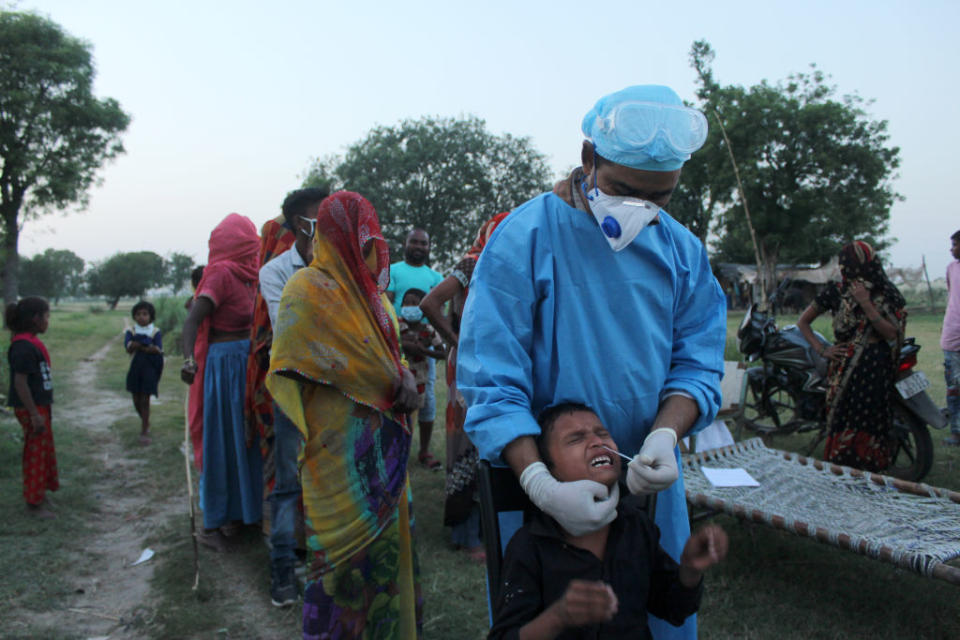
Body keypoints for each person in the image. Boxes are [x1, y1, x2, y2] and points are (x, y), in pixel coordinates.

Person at [456, 85, 726, 640]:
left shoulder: (682, 252)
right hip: (546, 497)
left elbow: (697, 365)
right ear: (588, 159)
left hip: (648, 492)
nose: (640, 211)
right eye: (625, 189)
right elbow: (492, 382)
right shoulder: (525, 239)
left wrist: (662, 438)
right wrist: (540, 483)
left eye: (660, 198)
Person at [267, 191, 423, 638]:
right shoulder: (306, 288)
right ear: (335, 236)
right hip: (339, 451)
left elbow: (387, 355)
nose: (369, 244)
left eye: (371, 234)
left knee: (387, 558)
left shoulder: (375, 298)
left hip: (387, 447)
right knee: (341, 566)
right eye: (359, 235)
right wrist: (395, 379)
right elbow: (297, 352)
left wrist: (402, 375)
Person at [489, 403, 727, 640]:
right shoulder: (530, 546)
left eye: (603, 434)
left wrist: (690, 569)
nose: (597, 442)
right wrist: (557, 618)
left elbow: (673, 607)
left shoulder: (636, 527)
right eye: (575, 439)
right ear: (548, 471)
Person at [420, 211, 509, 561]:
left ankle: (483, 528)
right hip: (470, 366)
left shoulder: (508, 266)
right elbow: (430, 303)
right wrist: (456, 341)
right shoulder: (473, 263)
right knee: (468, 443)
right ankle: (466, 532)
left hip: (497, 363)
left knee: (491, 441)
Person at [255, 187, 328, 607]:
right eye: (323, 216)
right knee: (287, 484)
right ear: (302, 224)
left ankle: (327, 570)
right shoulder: (277, 271)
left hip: (335, 391)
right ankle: (282, 573)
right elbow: (292, 331)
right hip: (293, 391)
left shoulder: (342, 268)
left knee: (331, 478)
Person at [181, 213, 263, 552]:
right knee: (222, 441)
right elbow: (192, 320)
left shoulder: (255, 275)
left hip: (250, 363)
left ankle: (245, 513)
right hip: (223, 364)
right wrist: (188, 359)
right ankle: (215, 520)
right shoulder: (221, 273)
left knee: (248, 440)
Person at [797, 241, 906, 471]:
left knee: (871, 421)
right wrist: (822, 349)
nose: (846, 268)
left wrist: (866, 303)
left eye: (849, 263)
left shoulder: (885, 293)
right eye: (844, 263)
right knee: (842, 420)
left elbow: (891, 334)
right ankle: (842, 471)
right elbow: (803, 322)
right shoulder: (836, 291)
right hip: (843, 370)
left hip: (876, 369)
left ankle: (870, 472)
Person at [387, 229, 444, 470]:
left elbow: (439, 313)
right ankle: (395, 448)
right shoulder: (393, 271)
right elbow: (386, 306)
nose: (419, 246)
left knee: (427, 399)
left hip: (424, 348)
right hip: (396, 344)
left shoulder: (435, 277)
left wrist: (434, 342)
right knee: (394, 395)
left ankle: (424, 451)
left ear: (429, 247)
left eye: (424, 242)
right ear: (405, 243)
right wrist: (399, 339)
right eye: (414, 242)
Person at [7, 297, 57, 520]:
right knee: (35, 453)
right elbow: (20, 382)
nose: (48, 321)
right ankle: (33, 503)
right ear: (36, 319)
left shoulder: (29, 342)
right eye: (46, 317)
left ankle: (40, 493)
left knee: (43, 450)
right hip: (32, 408)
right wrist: (35, 414)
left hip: (40, 406)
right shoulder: (22, 346)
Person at [398, 288, 446, 419]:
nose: (410, 307)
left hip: (419, 380)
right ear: (401, 306)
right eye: (406, 303)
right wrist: (405, 344)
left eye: (414, 303)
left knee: (412, 413)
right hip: (397, 378)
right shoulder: (396, 325)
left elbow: (443, 353)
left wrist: (424, 351)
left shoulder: (428, 330)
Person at [124, 300, 163, 445]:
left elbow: (158, 349)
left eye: (145, 314)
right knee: (136, 398)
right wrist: (145, 345)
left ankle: (144, 429)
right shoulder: (131, 331)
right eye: (138, 314)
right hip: (135, 368)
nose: (142, 317)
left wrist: (139, 345)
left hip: (150, 368)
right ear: (134, 317)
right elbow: (128, 347)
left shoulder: (155, 331)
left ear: (150, 316)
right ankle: (145, 421)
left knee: (145, 399)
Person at [941, 230, 960, 446]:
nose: (951, 249)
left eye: (955, 244)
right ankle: (956, 432)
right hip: (953, 336)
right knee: (954, 387)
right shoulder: (951, 269)